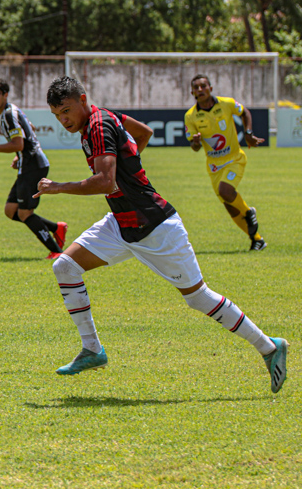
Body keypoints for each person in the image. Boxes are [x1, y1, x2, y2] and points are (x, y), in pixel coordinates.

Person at [39, 76, 287, 394]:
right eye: (57, 115)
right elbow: (144, 132)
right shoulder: (103, 117)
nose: (63, 120)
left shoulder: (98, 126)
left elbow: (104, 182)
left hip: (156, 227)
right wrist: (131, 165)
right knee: (65, 266)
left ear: (83, 100)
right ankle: (92, 350)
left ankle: (270, 347)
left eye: (67, 111)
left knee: (199, 297)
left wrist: (57, 187)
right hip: (122, 222)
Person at [0, 78, 67, 260]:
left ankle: (56, 252)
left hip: (33, 166)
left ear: (5, 95)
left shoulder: (7, 114)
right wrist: (18, 156)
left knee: (24, 213)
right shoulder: (12, 110)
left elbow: (18, 143)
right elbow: (31, 128)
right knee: (11, 210)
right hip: (28, 164)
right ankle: (56, 228)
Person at [184, 74, 266, 251]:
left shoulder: (226, 103)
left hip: (234, 159)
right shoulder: (190, 116)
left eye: (203, 86)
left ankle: (249, 212)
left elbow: (244, 112)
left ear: (211, 88)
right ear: (192, 92)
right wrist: (196, 142)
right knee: (230, 207)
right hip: (214, 166)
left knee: (225, 191)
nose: (200, 90)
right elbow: (194, 146)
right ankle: (257, 239)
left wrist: (249, 134)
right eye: (196, 87)